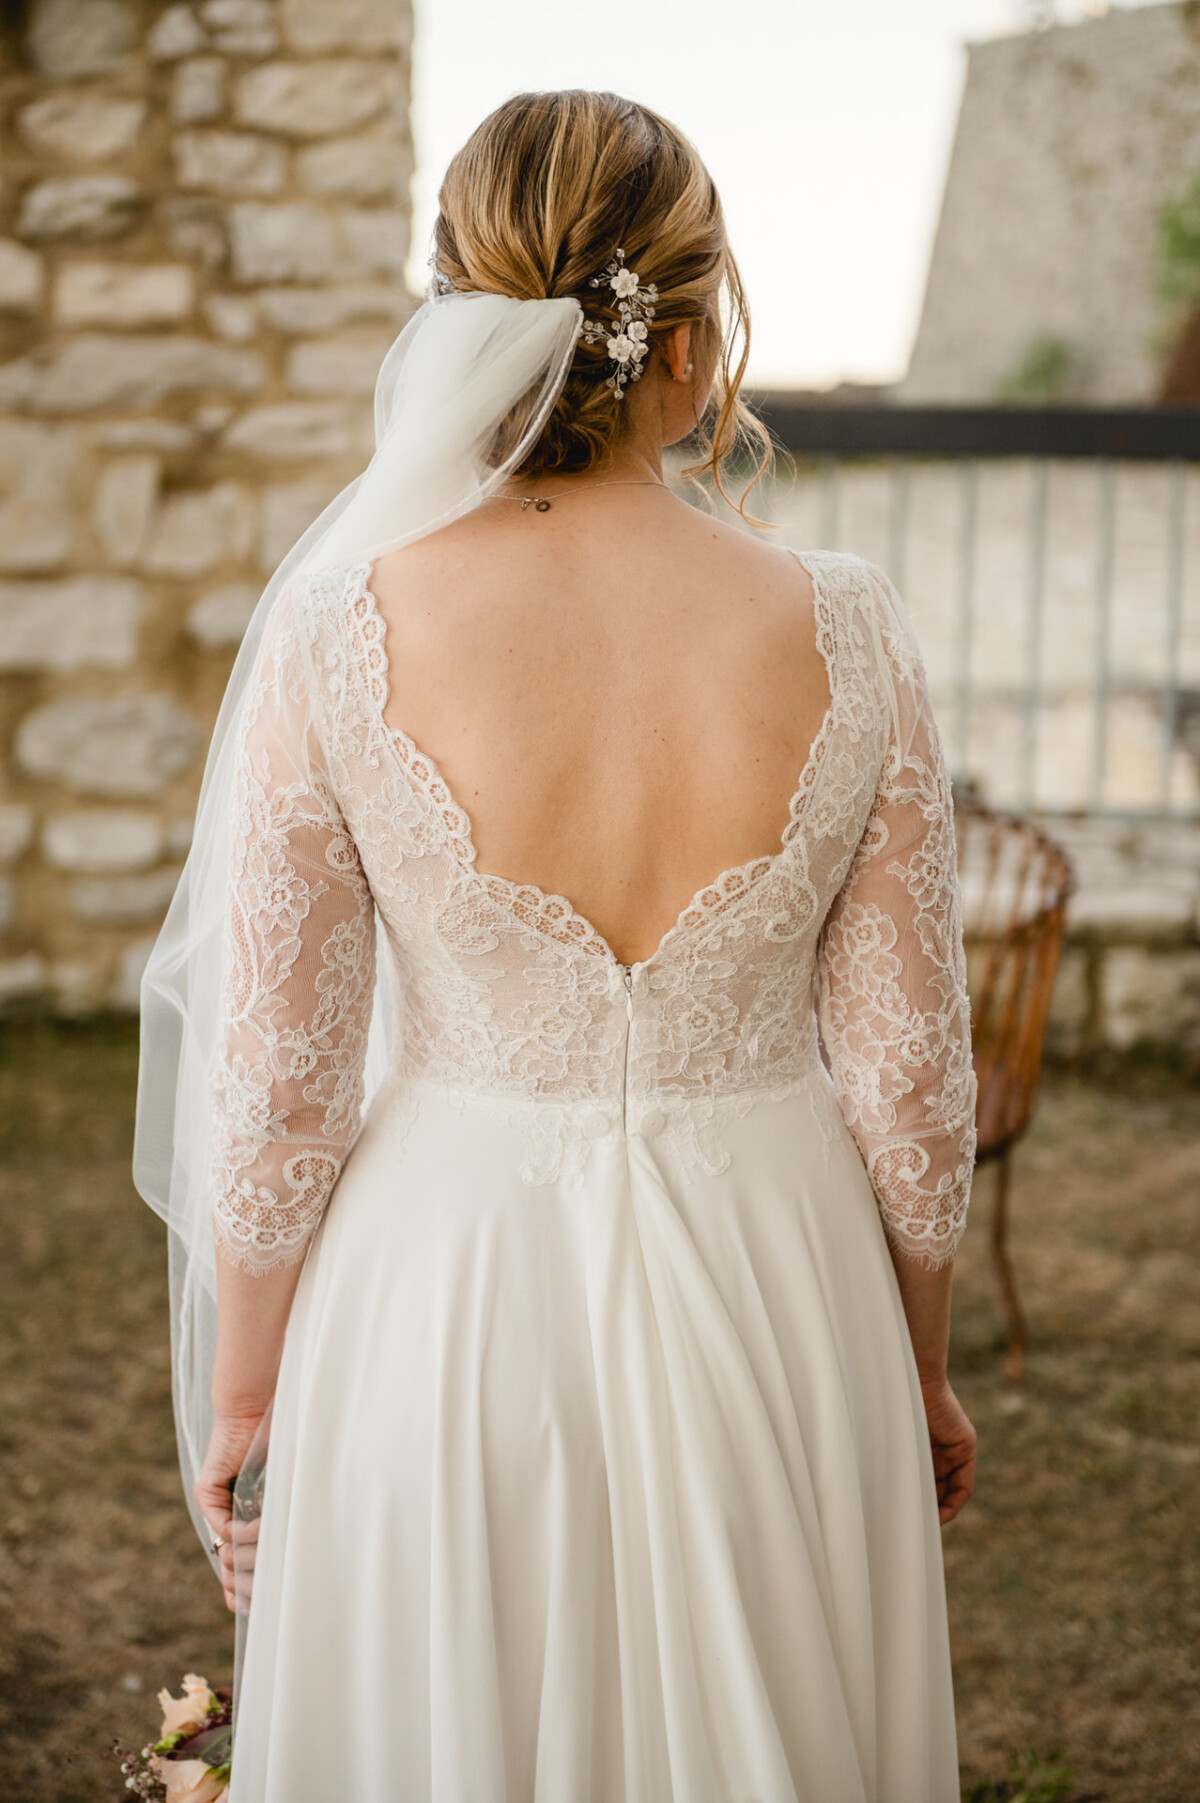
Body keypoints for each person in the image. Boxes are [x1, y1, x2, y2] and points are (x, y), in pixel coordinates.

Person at [135, 89, 977, 1802]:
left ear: (459, 323)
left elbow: (280, 1085)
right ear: (691, 335)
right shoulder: (846, 627)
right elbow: (911, 1085)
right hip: (782, 1282)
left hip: (438, 1302)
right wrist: (924, 1371)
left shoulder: (342, 625)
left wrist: (245, 1401)